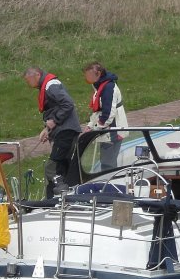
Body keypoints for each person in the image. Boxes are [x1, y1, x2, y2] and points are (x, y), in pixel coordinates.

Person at [23, 67, 81, 197]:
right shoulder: (47, 86)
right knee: (62, 166)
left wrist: (54, 121)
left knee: (52, 167)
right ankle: (58, 197)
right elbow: (56, 108)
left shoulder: (51, 85)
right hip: (63, 130)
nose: (29, 84)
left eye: (29, 80)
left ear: (37, 75)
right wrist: (47, 130)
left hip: (66, 131)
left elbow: (68, 104)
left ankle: (57, 197)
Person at [82, 61, 128, 170]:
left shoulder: (108, 88)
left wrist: (96, 127)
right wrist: (90, 125)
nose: (86, 78)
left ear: (98, 73)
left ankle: (109, 183)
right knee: (106, 160)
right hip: (107, 129)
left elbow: (108, 114)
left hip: (113, 130)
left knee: (108, 163)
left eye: (89, 75)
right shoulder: (99, 85)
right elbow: (98, 110)